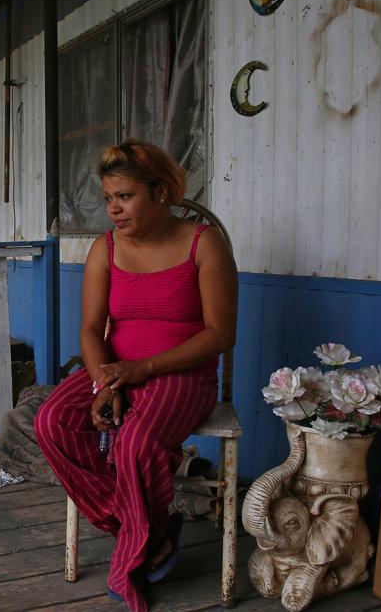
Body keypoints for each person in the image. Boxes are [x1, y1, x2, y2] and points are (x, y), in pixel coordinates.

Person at [34, 140, 237, 610]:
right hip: (114, 371)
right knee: (51, 422)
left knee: (135, 443)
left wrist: (142, 368)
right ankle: (147, 527)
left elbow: (221, 334)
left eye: (125, 196)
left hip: (183, 373)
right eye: (108, 198)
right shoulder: (104, 248)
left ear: (161, 192)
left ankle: (134, 549)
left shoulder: (203, 243)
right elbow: (90, 330)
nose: (113, 209)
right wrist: (103, 385)